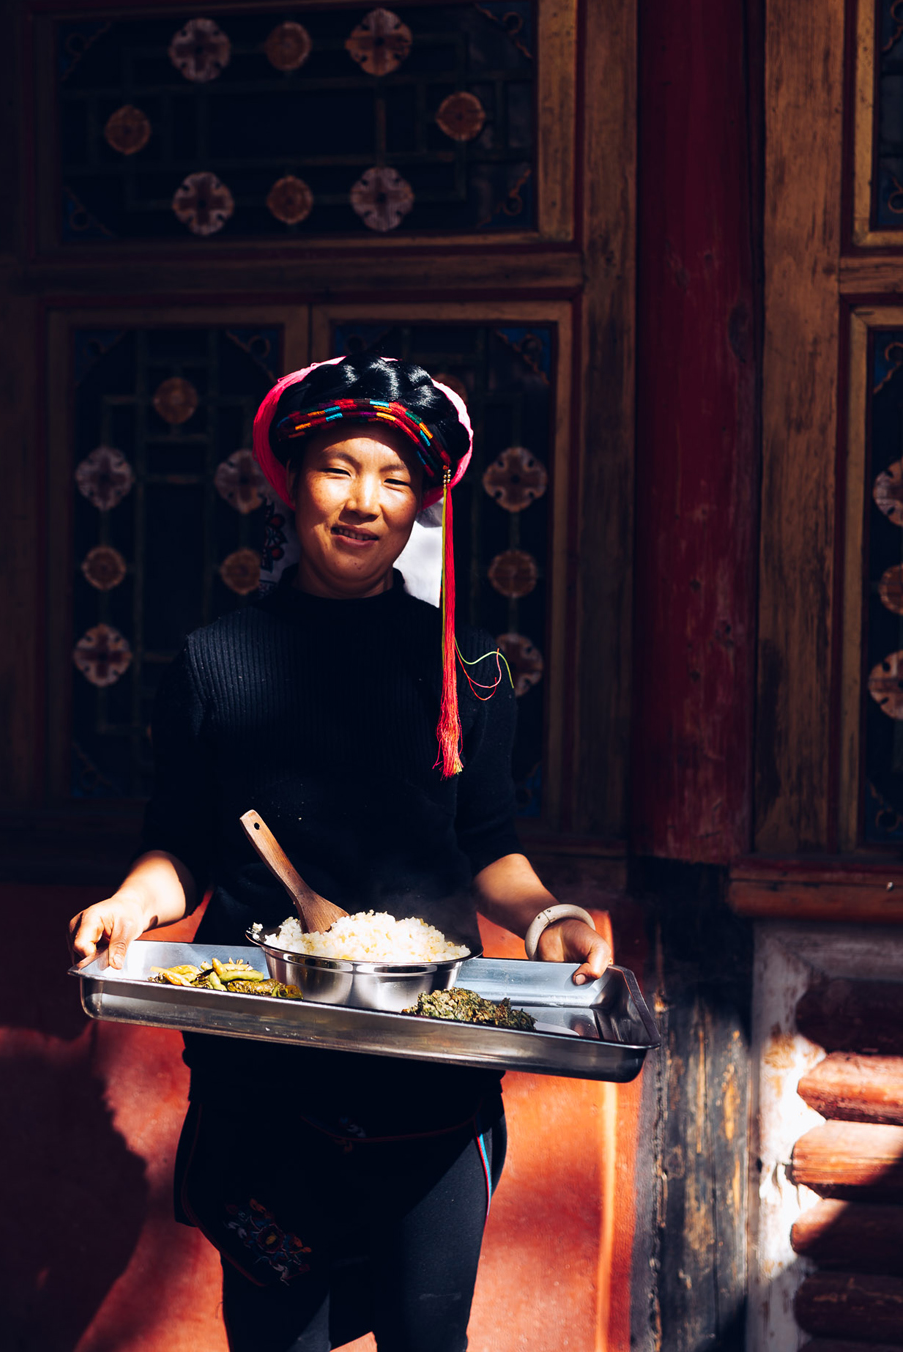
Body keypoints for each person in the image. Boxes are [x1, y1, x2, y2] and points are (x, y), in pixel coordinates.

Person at [69, 351, 613, 1352]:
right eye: (339, 469)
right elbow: (181, 843)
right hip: (263, 1081)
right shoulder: (215, 660)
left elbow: (487, 842)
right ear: (291, 483)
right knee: (279, 1339)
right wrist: (129, 905)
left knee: (426, 1339)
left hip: (431, 1078)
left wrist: (550, 919)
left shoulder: (469, 667)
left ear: (424, 504)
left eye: (395, 479)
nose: (364, 502)